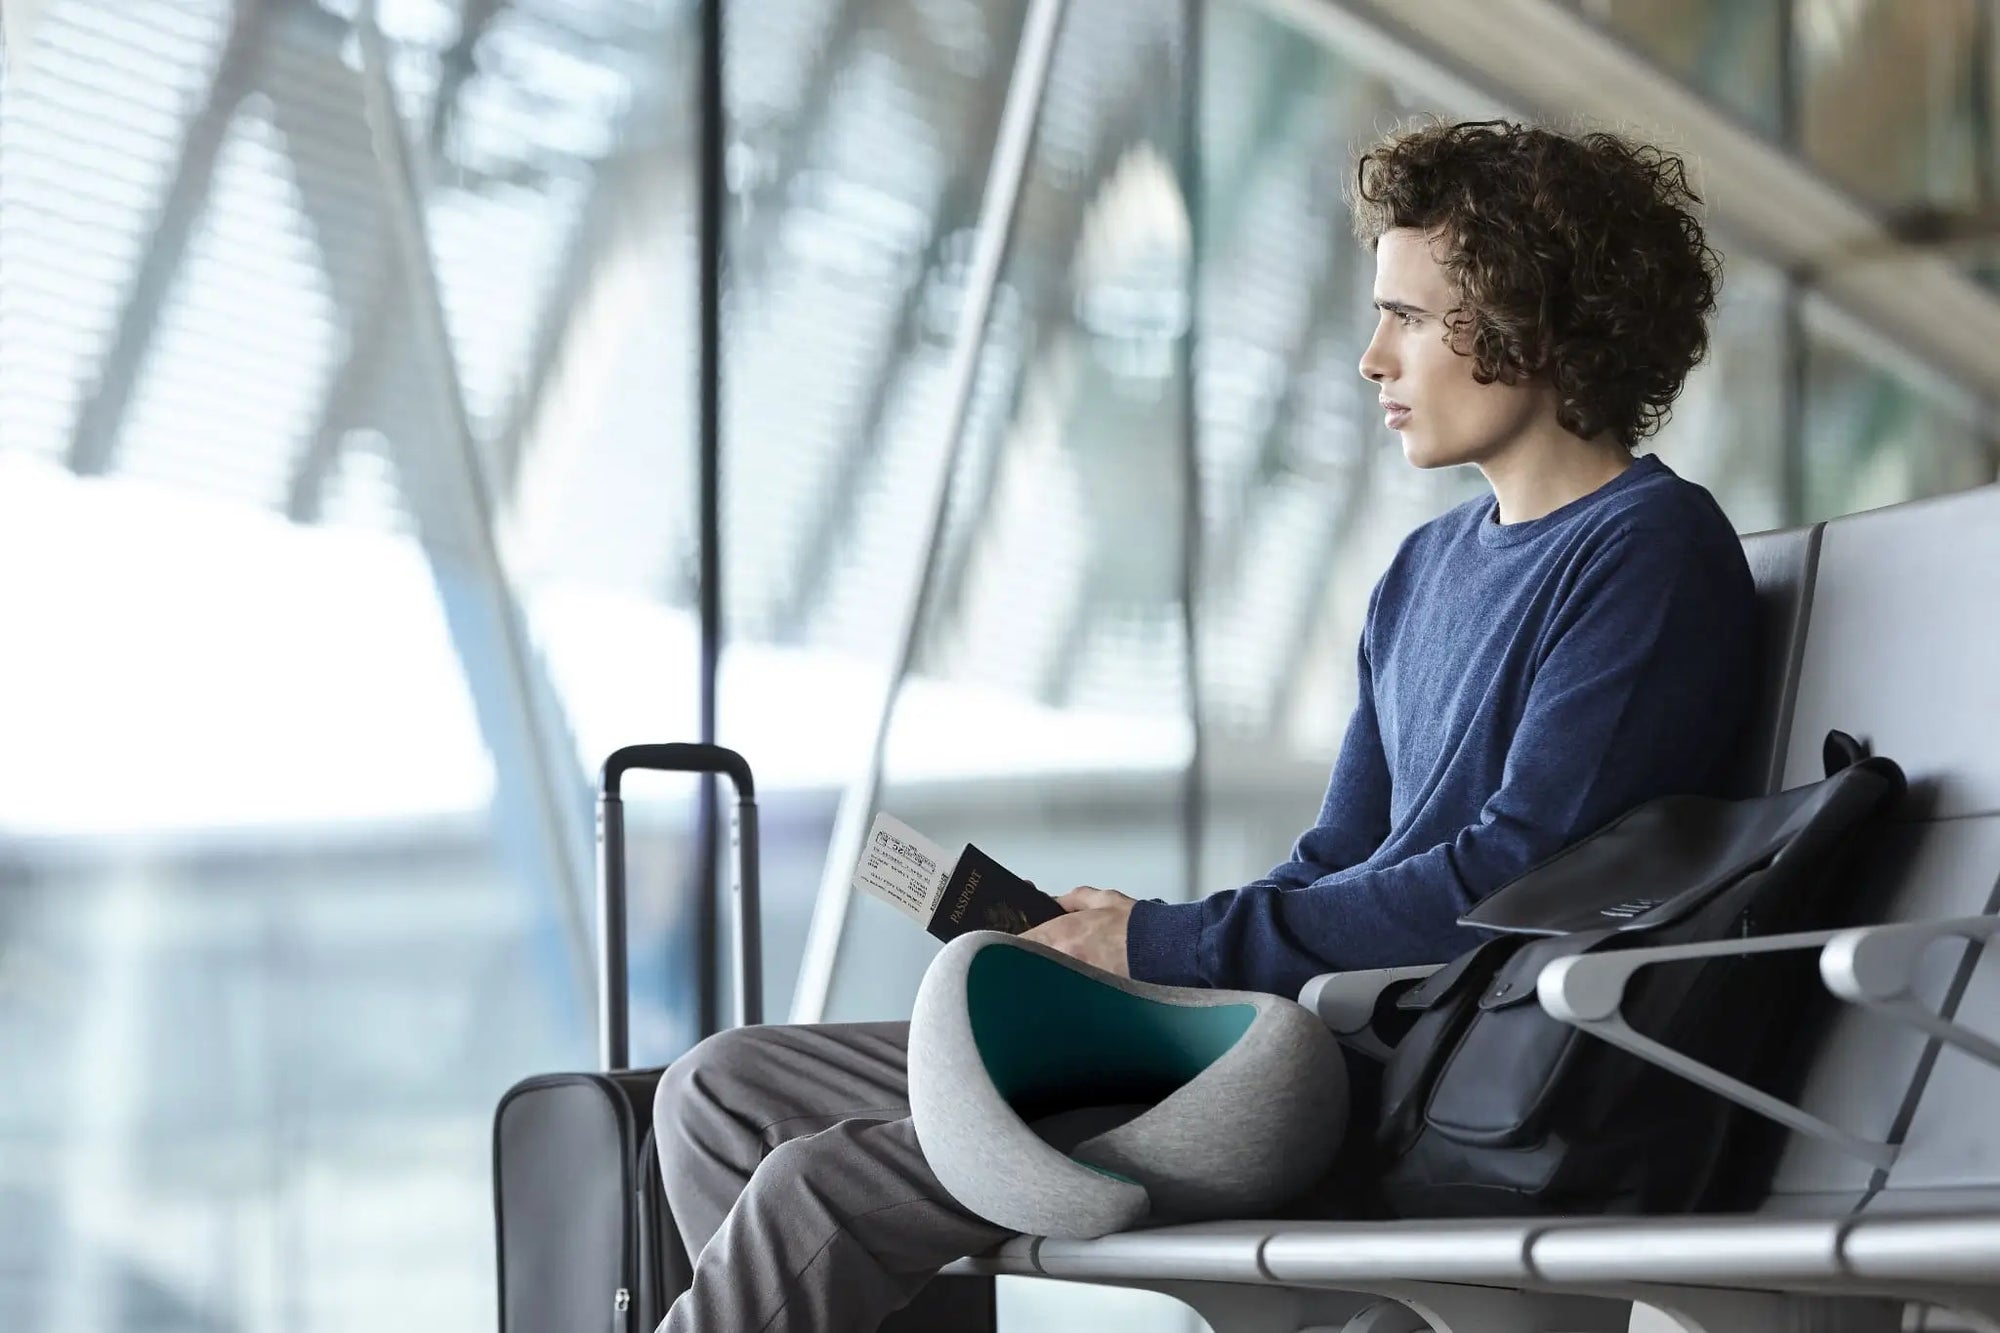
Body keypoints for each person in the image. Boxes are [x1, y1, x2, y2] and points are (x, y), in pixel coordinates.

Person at [649, 117, 1758, 1333]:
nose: (1368, 358)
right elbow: (1338, 860)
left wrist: (1163, 947)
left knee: (827, 1184)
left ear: (1532, 322)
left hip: (1386, 1075)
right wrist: (1116, 942)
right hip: (1279, 1033)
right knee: (724, 1089)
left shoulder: (1647, 552)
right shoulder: (1424, 569)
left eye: (1408, 316)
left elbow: (1510, 884)